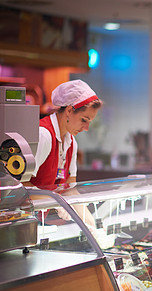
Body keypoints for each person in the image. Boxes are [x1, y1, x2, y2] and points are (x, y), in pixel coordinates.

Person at [25, 79, 103, 227]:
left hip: (41, 224)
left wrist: (93, 227)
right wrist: (56, 204)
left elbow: (70, 191)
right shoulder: (44, 135)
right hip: (23, 221)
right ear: (69, 110)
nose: (86, 128)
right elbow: (21, 184)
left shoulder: (71, 142)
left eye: (89, 122)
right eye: (84, 120)